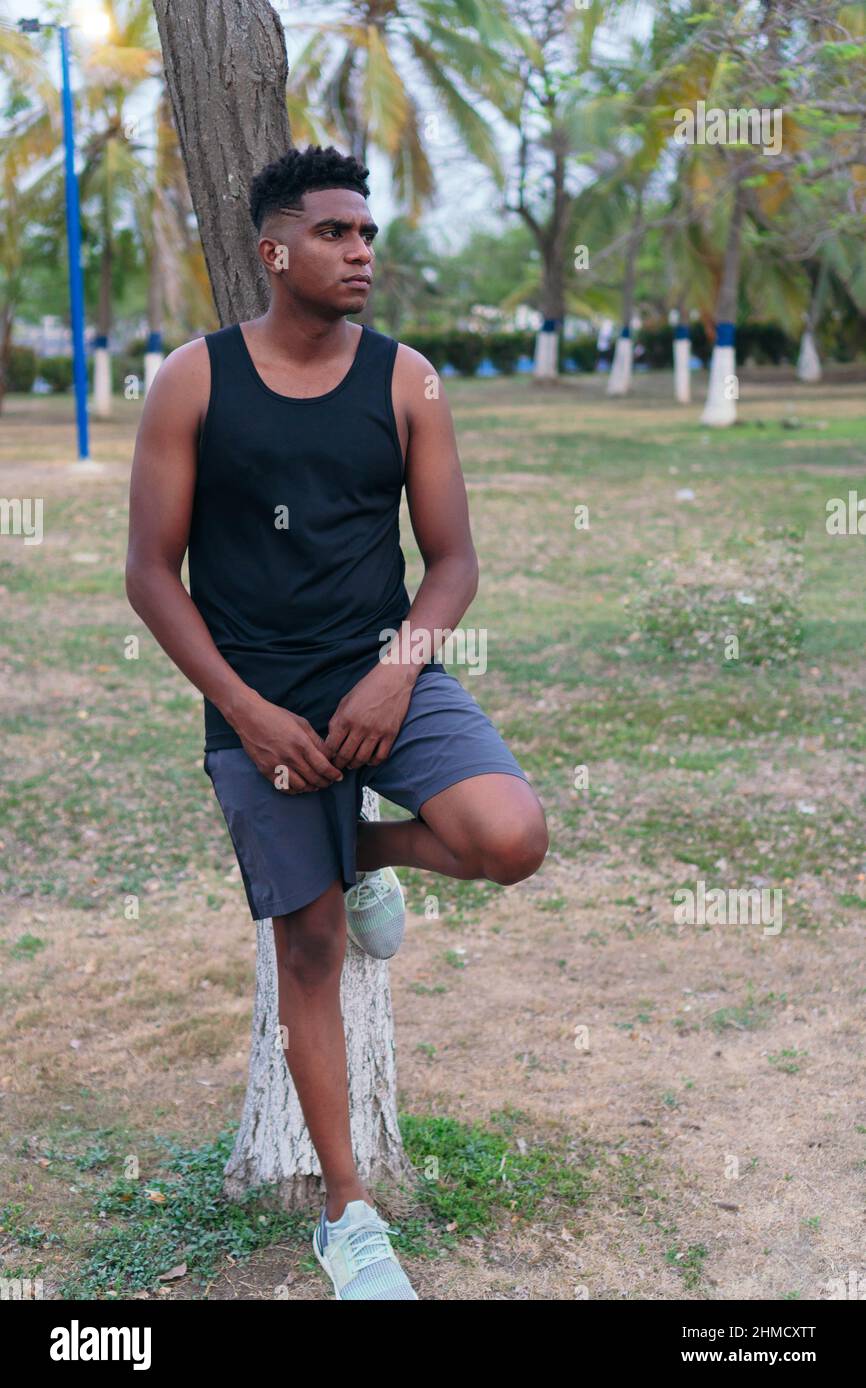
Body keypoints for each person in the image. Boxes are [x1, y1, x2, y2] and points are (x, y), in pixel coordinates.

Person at [125, 144, 549, 1301]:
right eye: (334, 233)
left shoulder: (406, 380)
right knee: (309, 946)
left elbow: (453, 559)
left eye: (367, 233)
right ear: (274, 250)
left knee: (509, 837)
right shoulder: (192, 380)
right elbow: (151, 575)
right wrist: (250, 713)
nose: (361, 251)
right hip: (255, 695)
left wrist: (397, 671)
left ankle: (348, 851)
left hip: (383, 675)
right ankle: (347, 1214)